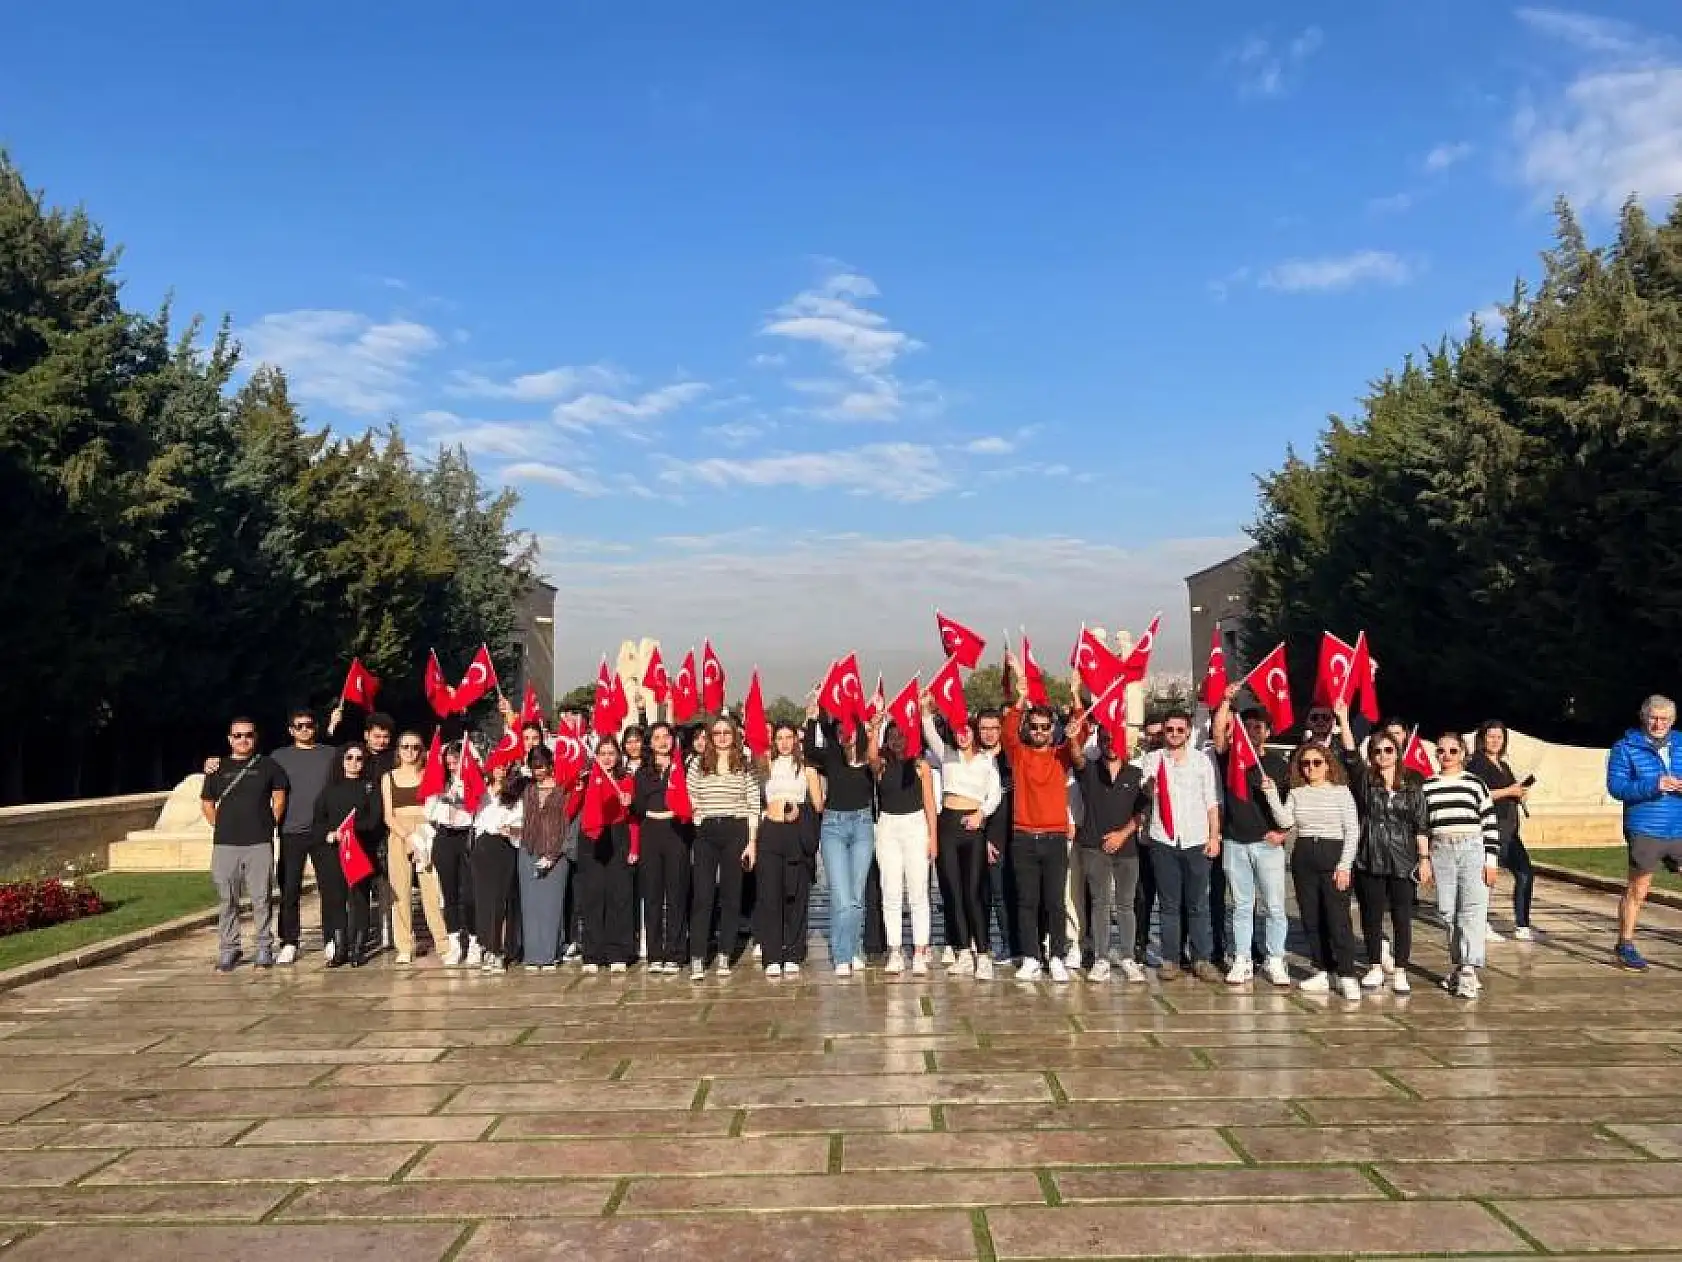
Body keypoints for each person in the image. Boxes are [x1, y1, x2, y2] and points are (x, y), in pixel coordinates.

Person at [1333, 700, 1428, 994]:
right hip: (1370, 853)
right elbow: (1350, 756)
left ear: (1398, 752)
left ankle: (1400, 969)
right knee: (1371, 914)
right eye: (1377, 751)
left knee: (1401, 916)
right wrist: (1343, 719)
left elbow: (1421, 823)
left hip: (1402, 856)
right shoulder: (1365, 780)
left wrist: (1424, 858)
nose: (1383, 755)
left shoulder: (1413, 781)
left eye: (1388, 750)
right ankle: (1375, 964)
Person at [1261, 743, 1362, 999]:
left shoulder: (1341, 792)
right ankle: (1321, 969)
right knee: (1311, 917)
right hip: (1305, 854)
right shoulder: (1297, 792)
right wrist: (1272, 794)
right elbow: (1285, 821)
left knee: (1337, 919)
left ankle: (1347, 973)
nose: (1311, 768)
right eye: (1306, 763)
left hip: (1333, 852)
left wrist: (1344, 865)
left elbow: (1352, 830)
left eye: (1317, 762)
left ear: (1328, 764)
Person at [1002, 653, 1078, 983]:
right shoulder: (1018, 754)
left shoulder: (1061, 755)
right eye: (1033, 727)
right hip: (1023, 837)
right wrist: (1020, 696)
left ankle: (1057, 955)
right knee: (1027, 901)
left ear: (1052, 730)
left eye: (1045, 728)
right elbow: (1007, 731)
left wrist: (1076, 698)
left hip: (1054, 837)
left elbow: (1079, 735)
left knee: (1055, 903)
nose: (1039, 732)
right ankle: (1032, 957)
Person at [1210, 687, 1292, 987]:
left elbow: (1290, 808)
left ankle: (1274, 959)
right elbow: (1218, 732)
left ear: (1268, 732)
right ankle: (1242, 958)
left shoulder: (1279, 766)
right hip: (1234, 842)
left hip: (1267, 845)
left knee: (1274, 906)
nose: (1255, 731)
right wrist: (1226, 701)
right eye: (1249, 726)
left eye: (1260, 727)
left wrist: (1283, 832)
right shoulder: (1230, 758)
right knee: (1243, 906)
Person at [1137, 709, 1223, 983]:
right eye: (1169, 730)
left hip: (1196, 839)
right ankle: (1171, 959)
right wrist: (1150, 786)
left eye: (1179, 730)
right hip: (1164, 839)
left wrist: (1214, 836)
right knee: (1169, 905)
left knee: (1198, 903)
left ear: (1188, 732)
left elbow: (1212, 802)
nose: (1174, 735)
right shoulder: (1153, 759)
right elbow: (1146, 792)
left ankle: (1201, 958)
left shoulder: (1201, 762)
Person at [199, 718, 289, 972]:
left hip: (258, 842)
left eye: (248, 735)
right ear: (230, 739)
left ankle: (264, 946)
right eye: (237, 736)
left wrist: (270, 822)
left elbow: (279, 797)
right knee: (227, 898)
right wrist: (222, 825)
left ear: (255, 737)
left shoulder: (268, 765)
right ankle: (229, 948)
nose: (243, 740)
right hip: (226, 844)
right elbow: (207, 803)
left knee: (261, 898)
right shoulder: (217, 768)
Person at [923, 705, 1004, 979]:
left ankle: (983, 953)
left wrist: (981, 814)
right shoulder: (946, 755)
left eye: (967, 731)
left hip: (973, 827)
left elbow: (994, 795)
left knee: (973, 892)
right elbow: (930, 733)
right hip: (948, 825)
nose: (962, 736)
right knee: (953, 893)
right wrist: (925, 710)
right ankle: (963, 952)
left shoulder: (986, 760)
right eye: (958, 732)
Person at [1067, 714, 1146, 983]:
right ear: (1098, 742)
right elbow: (1076, 756)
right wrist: (1072, 735)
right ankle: (1100, 958)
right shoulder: (1088, 770)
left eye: (1114, 739)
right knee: (1100, 904)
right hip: (1094, 847)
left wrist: (1122, 835)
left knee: (1126, 905)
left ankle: (1127, 957)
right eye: (1105, 739)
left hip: (1127, 850)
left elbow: (1142, 812)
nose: (1110, 743)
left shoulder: (1136, 774)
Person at [1421, 732, 1501, 998]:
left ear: (1463, 753)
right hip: (1441, 849)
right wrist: (1425, 860)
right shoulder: (1428, 786)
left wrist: (1491, 859)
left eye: (1452, 751)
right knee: (1447, 911)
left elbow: (1489, 821)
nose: (1446, 756)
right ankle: (1460, 963)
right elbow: (1422, 826)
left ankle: (1469, 968)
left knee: (1473, 908)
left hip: (1472, 847)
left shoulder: (1475, 784)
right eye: (1441, 751)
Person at [1607, 695, 1682, 971]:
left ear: (1673, 720)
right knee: (1639, 888)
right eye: (1654, 718)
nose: (1659, 723)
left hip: (1679, 826)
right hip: (1645, 827)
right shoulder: (1625, 748)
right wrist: (1655, 784)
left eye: (1665, 719)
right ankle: (1625, 944)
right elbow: (1617, 787)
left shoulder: (1681, 743)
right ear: (1643, 717)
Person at [266, 708, 342, 967]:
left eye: (309, 725)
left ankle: (332, 938)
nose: (305, 730)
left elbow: (356, 759)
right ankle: (289, 941)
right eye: (299, 726)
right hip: (291, 831)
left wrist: (336, 725)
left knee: (331, 889)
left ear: (316, 727)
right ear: (291, 730)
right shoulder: (278, 757)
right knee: (289, 890)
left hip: (323, 833)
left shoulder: (330, 755)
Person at [807, 702, 876, 976]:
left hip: (862, 825)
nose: (845, 733)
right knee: (842, 895)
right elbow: (811, 751)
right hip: (834, 826)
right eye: (840, 729)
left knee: (856, 896)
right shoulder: (831, 754)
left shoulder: (865, 754)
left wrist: (874, 731)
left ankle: (852, 947)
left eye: (849, 728)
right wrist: (813, 718)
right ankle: (842, 954)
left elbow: (876, 762)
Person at [688, 715, 759, 978]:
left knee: (731, 896)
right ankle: (697, 955)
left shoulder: (745, 764)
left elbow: (754, 804)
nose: (721, 737)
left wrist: (751, 842)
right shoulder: (698, 763)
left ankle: (725, 954)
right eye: (716, 733)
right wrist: (699, 823)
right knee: (703, 896)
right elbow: (691, 795)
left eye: (726, 733)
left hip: (735, 830)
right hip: (706, 832)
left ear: (734, 735)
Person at [867, 714, 938, 977]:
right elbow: (871, 758)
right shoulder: (882, 765)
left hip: (916, 826)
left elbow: (930, 804)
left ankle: (920, 950)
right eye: (892, 736)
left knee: (918, 892)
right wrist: (873, 731)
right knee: (891, 891)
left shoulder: (921, 766)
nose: (897, 741)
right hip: (888, 828)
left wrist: (934, 839)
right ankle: (895, 949)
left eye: (901, 736)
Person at [755, 723, 825, 977]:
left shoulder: (806, 770)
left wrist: (800, 808)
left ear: (796, 740)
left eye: (789, 738)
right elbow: (755, 799)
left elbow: (818, 805)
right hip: (770, 832)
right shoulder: (766, 766)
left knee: (796, 893)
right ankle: (772, 954)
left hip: (796, 832)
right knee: (770, 894)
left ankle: (794, 952)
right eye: (779, 738)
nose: (784, 743)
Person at [310, 742, 382, 968]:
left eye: (359, 758)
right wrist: (330, 834)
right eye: (349, 758)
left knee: (360, 899)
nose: (353, 762)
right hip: (333, 852)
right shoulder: (329, 790)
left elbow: (374, 820)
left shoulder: (370, 787)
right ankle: (340, 949)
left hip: (361, 850)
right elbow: (318, 821)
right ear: (341, 761)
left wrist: (352, 830)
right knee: (336, 899)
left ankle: (358, 949)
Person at [381, 730, 450, 965]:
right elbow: (388, 816)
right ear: (398, 750)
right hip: (399, 833)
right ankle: (404, 945)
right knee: (399, 891)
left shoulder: (428, 775)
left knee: (432, 889)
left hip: (426, 832)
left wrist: (422, 835)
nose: (410, 752)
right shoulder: (388, 778)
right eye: (405, 747)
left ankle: (442, 942)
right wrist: (407, 836)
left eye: (415, 747)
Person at [1468, 720, 1535, 941]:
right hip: (1489, 827)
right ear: (1482, 738)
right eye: (1491, 736)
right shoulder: (1476, 764)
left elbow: (1509, 791)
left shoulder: (1503, 765)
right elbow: (1479, 793)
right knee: (1488, 876)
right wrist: (1509, 790)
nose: (1495, 741)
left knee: (1525, 872)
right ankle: (1481, 922)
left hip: (1509, 828)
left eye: (1499, 737)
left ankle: (1522, 923)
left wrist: (1518, 792)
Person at [577, 734, 638, 974]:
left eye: (611, 753)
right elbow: (573, 807)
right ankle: (592, 953)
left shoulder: (626, 780)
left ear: (618, 756)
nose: (607, 758)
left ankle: (618, 952)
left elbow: (633, 816)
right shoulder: (589, 778)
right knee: (593, 896)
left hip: (617, 835)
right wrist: (579, 789)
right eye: (602, 753)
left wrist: (628, 802)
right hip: (592, 837)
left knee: (618, 896)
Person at [633, 722, 691, 975]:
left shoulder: (684, 767)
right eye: (657, 737)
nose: (662, 741)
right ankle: (655, 953)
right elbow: (637, 809)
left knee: (676, 894)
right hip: (651, 833)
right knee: (653, 896)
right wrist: (629, 803)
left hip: (676, 831)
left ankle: (676, 953)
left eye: (666, 736)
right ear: (650, 743)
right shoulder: (642, 772)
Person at [517, 744, 573, 971]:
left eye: (542, 766)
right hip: (529, 850)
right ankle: (532, 954)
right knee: (531, 906)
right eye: (534, 766)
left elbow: (566, 823)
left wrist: (554, 854)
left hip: (556, 854)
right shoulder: (528, 789)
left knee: (551, 905)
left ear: (551, 765)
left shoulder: (563, 790)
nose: (538, 770)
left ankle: (550, 953)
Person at [426, 741, 479, 968]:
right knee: (449, 895)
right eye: (448, 763)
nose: (452, 766)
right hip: (445, 837)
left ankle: (476, 941)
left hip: (466, 837)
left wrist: (463, 793)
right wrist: (445, 797)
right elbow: (429, 811)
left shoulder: (473, 780)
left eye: (456, 761)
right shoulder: (439, 782)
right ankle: (455, 942)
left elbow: (479, 807)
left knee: (469, 894)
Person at [472, 761, 524, 974]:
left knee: (501, 900)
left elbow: (521, 823)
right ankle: (487, 945)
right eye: (498, 765)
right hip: (482, 848)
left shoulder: (515, 794)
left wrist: (511, 829)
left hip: (503, 848)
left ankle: (501, 949)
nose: (501, 770)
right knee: (484, 900)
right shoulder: (480, 791)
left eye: (505, 766)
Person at [1132, 718, 1166, 966]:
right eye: (1151, 735)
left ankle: (1174, 948)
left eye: (1159, 735)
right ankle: (1139, 944)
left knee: (1172, 899)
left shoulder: (1175, 763)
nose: (1155, 740)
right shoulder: (1136, 766)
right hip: (1143, 841)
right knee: (1142, 897)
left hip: (1170, 842)